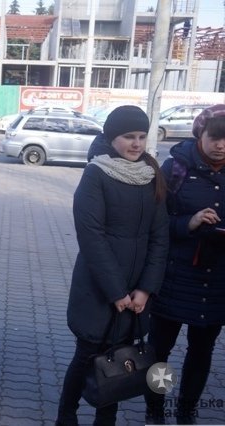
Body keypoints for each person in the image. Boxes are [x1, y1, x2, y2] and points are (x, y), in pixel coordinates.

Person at [56, 105, 169, 425]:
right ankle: (66, 415)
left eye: (142, 136)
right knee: (87, 356)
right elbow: (91, 237)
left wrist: (145, 289)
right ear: (111, 137)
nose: (136, 144)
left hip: (137, 292)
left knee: (120, 360)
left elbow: (160, 238)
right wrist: (116, 291)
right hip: (98, 290)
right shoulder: (96, 174)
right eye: (128, 136)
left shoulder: (151, 175)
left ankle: (106, 419)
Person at [144, 104, 225, 425]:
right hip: (175, 276)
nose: (221, 145)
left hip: (217, 280)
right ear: (200, 134)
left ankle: (186, 411)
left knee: (202, 352)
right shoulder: (176, 168)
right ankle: (155, 410)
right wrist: (187, 223)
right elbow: (155, 222)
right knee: (159, 351)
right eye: (215, 137)